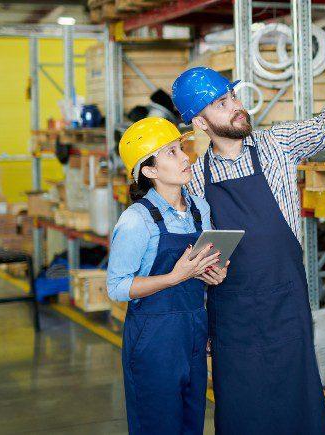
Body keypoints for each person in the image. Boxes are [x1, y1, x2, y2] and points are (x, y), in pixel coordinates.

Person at [170, 20, 325, 434]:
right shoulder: (194, 179)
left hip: (286, 306)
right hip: (231, 315)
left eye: (233, 95)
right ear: (200, 124)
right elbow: (186, 253)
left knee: (299, 408)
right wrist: (201, 273)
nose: (236, 105)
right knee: (242, 414)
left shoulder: (276, 146)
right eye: (221, 103)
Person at [106, 117, 229, 434]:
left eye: (181, 148)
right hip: (154, 339)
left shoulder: (200, 209)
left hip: (194, 331)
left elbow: (209, 264)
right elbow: (117, 287)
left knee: (192, 424)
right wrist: (174, 277)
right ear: (150, 170)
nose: (185, 157)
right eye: (172, 152)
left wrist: (217, 271)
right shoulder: (137, 220)